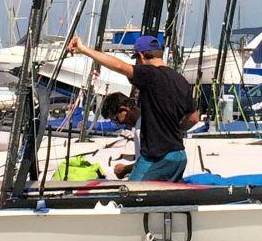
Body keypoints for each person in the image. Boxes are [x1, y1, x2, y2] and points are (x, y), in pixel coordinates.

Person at [68, 33, 198, 182]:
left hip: (158, 158)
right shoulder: (181, 80)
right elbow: (194, 118)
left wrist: (84, 50)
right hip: (179, 157)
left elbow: (119, 66)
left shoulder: (149, 74)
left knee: (127, 195)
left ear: (141, 56)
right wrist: (174, 129)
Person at [100, 92, 140, 179]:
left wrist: (125, 169)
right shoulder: (137, 127)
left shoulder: (142, 128)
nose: (118, 124)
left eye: (116, 119)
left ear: (123, 110)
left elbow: (151, 161)